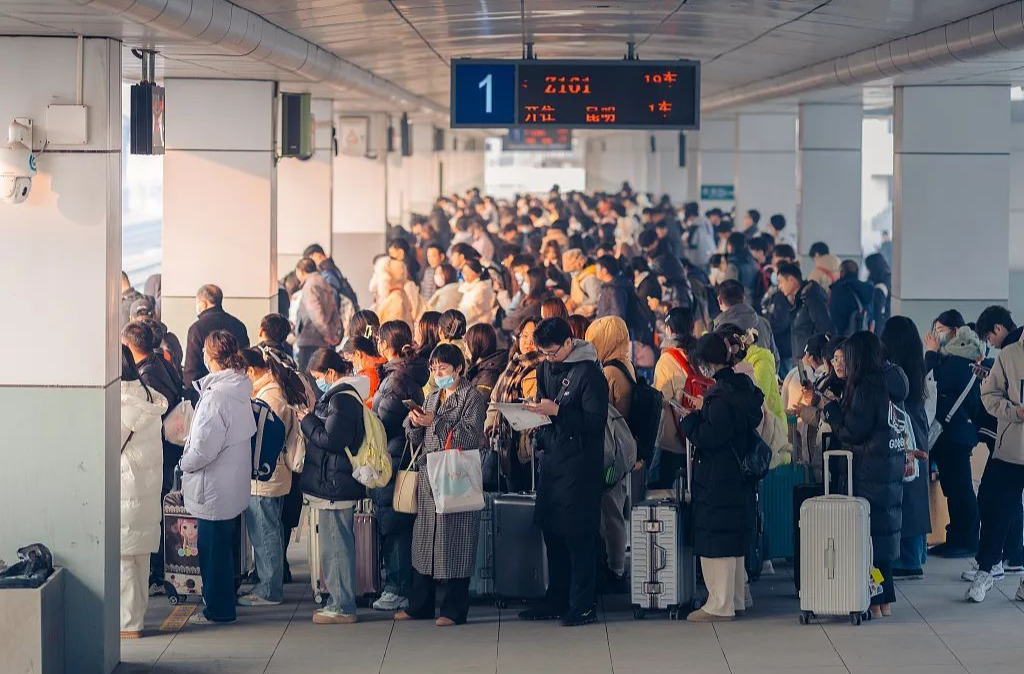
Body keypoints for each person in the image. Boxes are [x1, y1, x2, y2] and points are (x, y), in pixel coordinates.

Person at [518, 318, 608, 627]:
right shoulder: (545, 368)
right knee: (552, 531)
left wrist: (557, 412)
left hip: (580, 465)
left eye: (552, 352)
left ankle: (583, 604)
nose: (547, 359)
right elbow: (545, 403)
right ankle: (555, 597)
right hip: (553, 458)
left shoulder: (590, 373)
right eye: (543, 353)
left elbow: (595, 424)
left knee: (578, 536)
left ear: (569, 343)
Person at [394, 344, 488, 626]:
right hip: (429, 476)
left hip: (455, 476)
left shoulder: (472, 397)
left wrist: (436, 422)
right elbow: (414, 435)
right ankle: (420, 604)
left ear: (459, 368)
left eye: (443, 368)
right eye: (434, 369)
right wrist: (414, 421)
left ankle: (454, 609)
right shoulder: (433, 394)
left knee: (456, 542)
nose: (438, 374)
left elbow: (470, 437)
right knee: (424, 543)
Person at [678, 331, 764, 622]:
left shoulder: (719, 395)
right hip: (738, 476)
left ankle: (720, 605)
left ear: (706, 364)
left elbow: (711, 436)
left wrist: (689, 420)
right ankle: (737, 598)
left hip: (719, 475)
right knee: (733, 537)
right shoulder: (741, 388)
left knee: (717, 539)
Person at [819, 332, 905, 618]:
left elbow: (853, 431)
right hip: (887, 468)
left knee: (868, 541)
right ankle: (885, 601)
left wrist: (831, 410)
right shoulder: (889, 382)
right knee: (882, 538)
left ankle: (876, 600)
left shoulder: (867, 388)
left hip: (869, 471)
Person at [181, 331, 256, 625]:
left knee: (212, 554)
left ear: (211, 357)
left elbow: (203, 448)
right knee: (224, 549)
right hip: (232, 483)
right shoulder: (239, 390)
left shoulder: (216, 398)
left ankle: (218, 610)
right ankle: (225, 603)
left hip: (213, 486)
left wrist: (184, 462)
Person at [237, 346, 310, 608]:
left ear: (250, 371)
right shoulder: (272, 390)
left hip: (267, 475)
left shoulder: (271, 397)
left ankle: (269, 590)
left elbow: (263, 438)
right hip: (273, 474)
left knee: (266, 532)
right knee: (270, 530)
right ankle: (267, 582)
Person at [299, 348, 368, 622]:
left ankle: (342, 605)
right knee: (335, 543)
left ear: (330, 373)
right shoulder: (343, 397)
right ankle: (341, 601)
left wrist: (307, 420)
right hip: (333, 481)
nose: (318, 383)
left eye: (319, 377)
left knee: (336, 546)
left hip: (335, 484)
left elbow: (332, 440)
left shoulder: (342, 400)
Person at [370, 321, 430, 612]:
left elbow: (383, 422)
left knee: (395, 524)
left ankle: (397, 587)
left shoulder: (396, 380)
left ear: (384, 345)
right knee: (396, 522)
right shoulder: (401, 375)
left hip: (394, 457)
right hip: (396, 455)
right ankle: (396, 584)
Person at [968, 322, 1024, 602]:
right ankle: (987, 569)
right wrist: (1014, 412)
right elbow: (989, 395)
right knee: (997, 511)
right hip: (1012, 449)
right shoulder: (1010, 355)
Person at [119, 345, 169, 639]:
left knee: (125, 559)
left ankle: (128, 624)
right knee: (138, 559)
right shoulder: (146, 395)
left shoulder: (123, 404)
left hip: (126, 489)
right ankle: (134, 620)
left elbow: (109, 444)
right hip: (145, 490)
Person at [925, 311, 983, 558]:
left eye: (940, 329)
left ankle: (967, 540)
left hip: (956, 435)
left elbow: (932, 382)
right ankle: (956, 537)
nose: (936, 335)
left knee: (960, 488)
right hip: (955, 434)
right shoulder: (955, 359)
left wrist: (930, 353)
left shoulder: (959, 361)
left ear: (954, 331)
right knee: (954, 487)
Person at [584, 316, 635, 586]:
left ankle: (616, 568)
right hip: (622, 451)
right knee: (615, 508)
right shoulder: (624, 363)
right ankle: (615, 565)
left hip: (612, 452)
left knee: (612, 511)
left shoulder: (610, 372)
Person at [880, 317, 932, 580]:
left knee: (904, 494)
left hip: (903, 432)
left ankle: (909, 561)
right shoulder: (915, 364)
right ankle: (916, 555)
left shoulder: (893, 371)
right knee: (915, 494)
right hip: (917, 429)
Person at [486, 316, 543, 492]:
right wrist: (490, 428)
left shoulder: (543, 367)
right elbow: (494, 402)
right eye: (523, 336)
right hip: (507, 447)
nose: (528, 341)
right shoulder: (512, 367)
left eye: (533, 336)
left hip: (531, 451)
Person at [183, 285, 250, 389]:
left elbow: (191, 369)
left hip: (207, 390)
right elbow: (246, 359)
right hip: (238, 386)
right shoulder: (239, 325)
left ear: (204, 303)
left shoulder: (196, 329)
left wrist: (189, 392)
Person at [713, 280, 779, 364]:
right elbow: (775, 359)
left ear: (719, 300)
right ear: (744, 298)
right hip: (765, 375)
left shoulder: (718, 330)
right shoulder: (763, 323)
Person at [776, 263, 833, 360]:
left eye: (781, 282)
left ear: (791, 280)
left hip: (810, 363)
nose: (779, 286)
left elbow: (825, 329)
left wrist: (813, 355)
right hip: (801, 361)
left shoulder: (812, 299)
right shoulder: (800, 300)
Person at [294, 258, 342, 371]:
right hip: (323, 340)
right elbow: (334, 308)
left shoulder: (309, 285)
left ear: (300, 271)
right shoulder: (323, 281)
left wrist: (327, 334)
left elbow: (315, 313)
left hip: (310, 338)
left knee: (307, 378)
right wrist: (332, 331)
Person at [130, 299, 184, 371]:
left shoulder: (129, 344)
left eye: (147, 321)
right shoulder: (171, 339)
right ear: (155, 315)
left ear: (131, 319)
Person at [303, 243, 360, 310]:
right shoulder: (331, 268)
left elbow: (332, 301)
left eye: (310, 260)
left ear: (316, 255)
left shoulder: (327, 272)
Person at [829, 260, 874, 337]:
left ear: (842, 272)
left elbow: (835, 316)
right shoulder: (867, 288)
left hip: (843, 338)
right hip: (863, 336)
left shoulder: (839, 289)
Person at [465, 323, 509, 397]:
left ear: (475, 345)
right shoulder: (483, 368)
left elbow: (479, 405)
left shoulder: (488, 374)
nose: (466, 350)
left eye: (467, 344)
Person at [457, 259, 495, 328]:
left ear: (478, 273)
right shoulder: (468, 286)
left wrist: (456, 320)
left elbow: (470, 310)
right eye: (464, 272)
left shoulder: (482, 287)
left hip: (479, 327)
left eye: (469, 272)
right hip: (468, 325)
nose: (466, 275)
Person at [595, 255, 634, 322]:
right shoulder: (607, 286)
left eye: (597, 269)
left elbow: (618, 316)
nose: (595, 271)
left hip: (610, 329)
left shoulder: (615, 290)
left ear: (604, 270)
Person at [563, 248, 601, 317]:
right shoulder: (576, 277)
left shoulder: (590, 278)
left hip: (589, 315)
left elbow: (595, 299)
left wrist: (578, 305)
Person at [723, 232, 759, 300]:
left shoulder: (733, 265)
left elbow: (728, 291)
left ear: (732, 246)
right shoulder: (753, 262)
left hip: (740, 305)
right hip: (753, 302)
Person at [864, 253, 891, 331]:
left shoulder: (879, 287)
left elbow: (877, 314)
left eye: (869, 269)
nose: (868, 272)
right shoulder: (889, 278)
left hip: (880, 328)